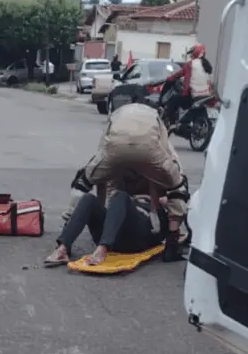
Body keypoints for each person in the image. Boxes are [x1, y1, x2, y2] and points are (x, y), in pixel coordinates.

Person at [45, 102, 190, 265]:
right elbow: (103, 189)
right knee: (90, 200)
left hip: (143, 232)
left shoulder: (160, 162)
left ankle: (102, 248)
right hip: (117, 228)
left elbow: (176, 194)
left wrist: (169, 227)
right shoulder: (117, 164)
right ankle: (63, 247)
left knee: (120, 196)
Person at [163, 44, 213, 129]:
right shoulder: (207, 65)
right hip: (207, 94)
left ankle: (169, 122)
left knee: (174, 99)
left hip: (193, 95)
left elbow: (177, 75)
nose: (191, 56)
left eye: (192, 54)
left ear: (196, 53)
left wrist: (169, 78)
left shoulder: (190, 65)